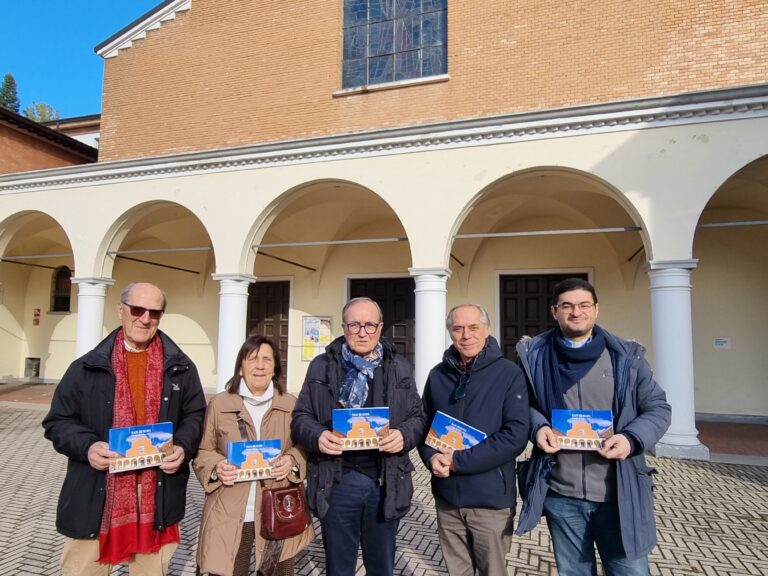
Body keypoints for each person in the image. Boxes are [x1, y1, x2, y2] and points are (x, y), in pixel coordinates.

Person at [42, 282, 207, 576]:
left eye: (154, 312)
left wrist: (182, 446)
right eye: (137, 309)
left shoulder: (181, 367)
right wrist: (87, 447)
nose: (145, 318)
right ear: (121, 310)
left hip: (156, 490)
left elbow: (195, 415)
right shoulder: (87, 367)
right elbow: (58, 422)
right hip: (96, 491)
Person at [515, 278, 671, 576]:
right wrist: (538, 427)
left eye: (584, 305)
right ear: (554, 311)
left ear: (596, 309)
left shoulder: (626, 357)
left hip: (619, 494)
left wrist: (630, 438)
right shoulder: (533, 356)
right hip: (562, 493)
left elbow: (658, 408)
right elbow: (523, 405)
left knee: (629, 571)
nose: (576, 312)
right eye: (568, 306)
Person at [291, 297, 426, 576]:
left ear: (380, 328)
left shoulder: (399, 367)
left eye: (369, 325)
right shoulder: (321, 366)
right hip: (336, 482)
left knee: (381, 567)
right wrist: (318, 436)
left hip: (384, 481)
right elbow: (300, 417)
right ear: (344, 326)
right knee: (339, 568)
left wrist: (403, 435)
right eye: (354, 325)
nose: (362, 332)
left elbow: (418, 418)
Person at [418, 304, 530, 576]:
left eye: (473, 327)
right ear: (450, 333)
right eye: (457, 328)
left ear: (487, 330)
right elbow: (423, 426)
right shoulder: (437, 375)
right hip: (447, 497)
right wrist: (431, 457)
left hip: (489, 500)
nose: (465, 335)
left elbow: (515, 435)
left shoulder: (509, 374)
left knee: (492, 571)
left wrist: (458, 461)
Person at [193, 335, 314, 576]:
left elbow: (304, 447)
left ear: (275, 368)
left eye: (267, 359)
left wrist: (291, 460)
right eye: (253, 358)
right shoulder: (219, 404)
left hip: (277, 508)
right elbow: (203, 452)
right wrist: (218, 467)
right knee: (229, 569)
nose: (259, 365)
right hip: (230, 508)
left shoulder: (290, 404)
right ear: (241, 366)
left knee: (276, 572)